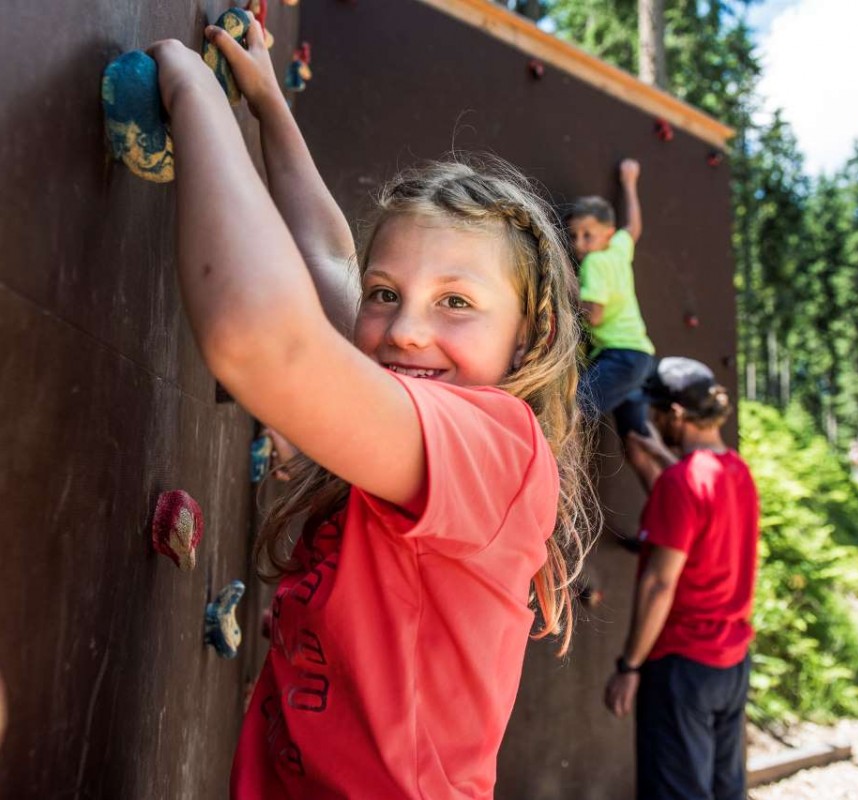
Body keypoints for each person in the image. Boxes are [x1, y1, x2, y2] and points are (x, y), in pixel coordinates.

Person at [147, 17, 596, 799]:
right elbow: (327, 258)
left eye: (457, 301)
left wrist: (193, 97)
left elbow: (261, 343)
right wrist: (264, 105)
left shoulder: (499, 443)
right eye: (388, 295)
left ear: (533, 334)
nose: (406, 330)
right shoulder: (419, 399)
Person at [603, 357, 760, 800]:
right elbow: (695, 518)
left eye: (655, 412)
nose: (650, 419)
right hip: (730, 664)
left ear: (674, 415)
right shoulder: (736, 471)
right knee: (723, 788)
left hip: (681, 666)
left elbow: (659, 584)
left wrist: (629, 665)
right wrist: (655, 460)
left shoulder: (680, 483)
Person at [568, 159, 657, 437]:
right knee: (636, 440)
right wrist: (630, 183)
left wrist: (566, 296)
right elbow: (634, 228)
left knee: (569, 411)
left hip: (619, 357)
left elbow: (594, 317)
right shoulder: (617, 248)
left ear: (607, 233)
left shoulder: (594, 263)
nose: (579, 244)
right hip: (640, 357)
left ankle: (551, 476)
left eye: (587, 236)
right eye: (574, 236)